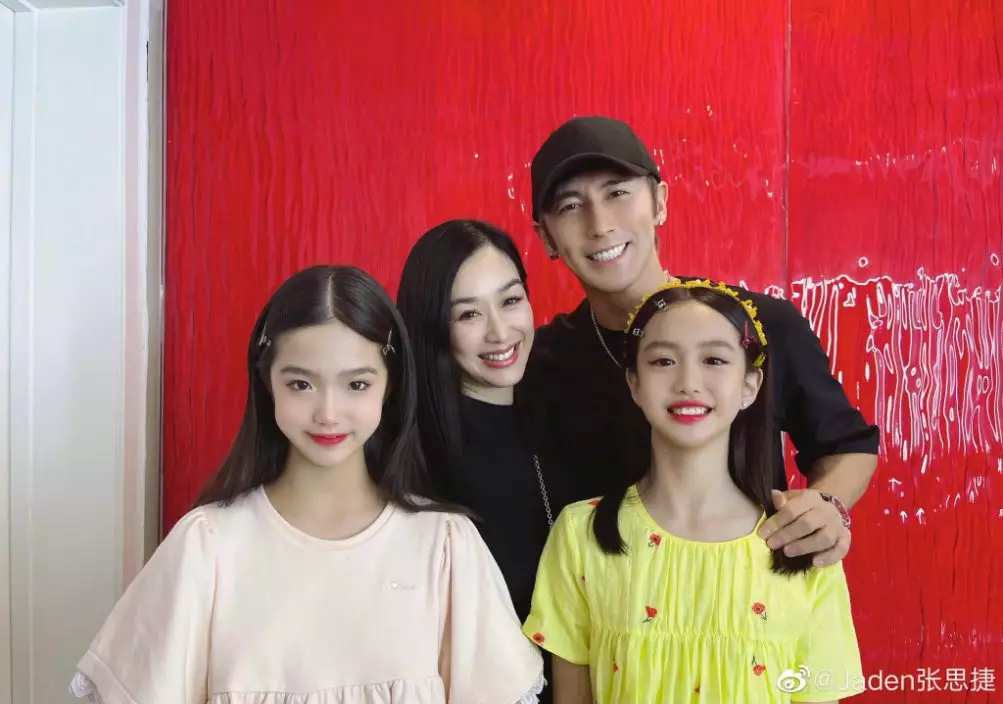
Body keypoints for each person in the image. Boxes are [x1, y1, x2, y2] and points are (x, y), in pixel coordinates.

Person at [69, 265, 544, 704]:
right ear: (267, 383)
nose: (328, 413)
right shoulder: (207, 547)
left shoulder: (444, 545)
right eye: (301, 384)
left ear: (391, 387)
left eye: (357, 384)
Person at [523, 115, 880, 566]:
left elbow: (846, 444)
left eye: (617, 193)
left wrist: (826, 506)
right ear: (546, 238)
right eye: (571, 206)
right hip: (602, 603)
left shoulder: (758, 324)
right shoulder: (539, 363)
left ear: (659, 203)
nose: (600, 224)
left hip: (747, 594)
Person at [522, 279, 863, 703]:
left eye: (714, 359)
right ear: (634, 383)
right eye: (663, 361)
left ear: (750, 385)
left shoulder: (803, 542)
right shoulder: (580, 534)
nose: (688, 381)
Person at [398, 221, 570, 704]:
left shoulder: (563, 416)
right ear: (433, 327)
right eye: (469, 314)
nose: (500, 332)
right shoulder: (410, 458)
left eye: (511, 300)